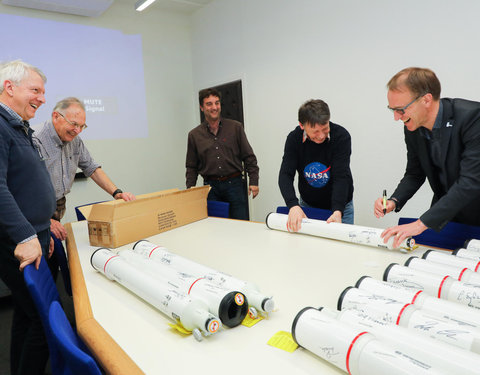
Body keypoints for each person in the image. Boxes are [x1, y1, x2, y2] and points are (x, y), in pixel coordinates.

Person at [374, 67, 480, 248]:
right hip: (447, 218)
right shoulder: (413, 127)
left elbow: (470, 182)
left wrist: (419, 224)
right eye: (392, 110)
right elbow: (414, 173)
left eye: (400, 110)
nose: (396, 118)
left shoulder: (472, 117)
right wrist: (393, 201)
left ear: (426, 100)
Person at [0, 60, 56, 375]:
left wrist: (43, 230)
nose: (43, 98)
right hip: (16, 243)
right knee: (44, 321)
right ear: (10, 87)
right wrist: (26, 235)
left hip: (35, 237)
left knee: (24, 315)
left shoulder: (18, 126)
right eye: (35, 90)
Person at [33, 97, 135, 242]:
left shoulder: (74, 141)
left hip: (56, 207)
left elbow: (92, 168)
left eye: (82, 126)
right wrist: (45, 221)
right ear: (56, 116)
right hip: (35, 212)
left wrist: (117, 193)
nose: (78, 131)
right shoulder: (35, 139)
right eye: (74, 124)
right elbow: (23, 188)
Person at [279, 99, 354, 232]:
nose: (321, 136)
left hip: (340, 206)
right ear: (302, 126)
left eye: (325, 129)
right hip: (308, 205)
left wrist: (337, 211)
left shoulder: (341, 137)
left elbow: (341, 177)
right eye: (315, 131)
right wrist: (293, 206)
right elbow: (285, 174)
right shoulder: (294, 139)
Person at [185, 88, 259, 220]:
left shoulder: (235, 128)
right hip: (211, 189)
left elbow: (249, 157)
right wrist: (190, 189)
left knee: (240, 226)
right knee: (215, 228)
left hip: (235, 186)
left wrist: (254, 181)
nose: (214, 107)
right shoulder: (194, 135)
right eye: (209, 104)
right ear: (202, 107)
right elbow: (191, 166)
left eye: (217, 103)